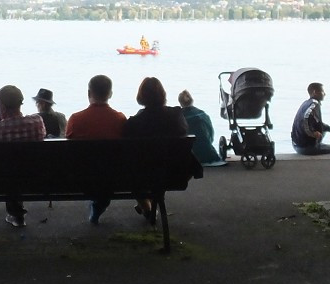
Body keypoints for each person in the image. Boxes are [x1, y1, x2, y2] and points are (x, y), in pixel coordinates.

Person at [66, 74, 128, 223]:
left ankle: (98, 204)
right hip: (114, 177)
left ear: (89, 93)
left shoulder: (76, 119)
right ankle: (99, 205)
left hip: (80, 177)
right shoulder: (120, 119)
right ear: (110, 94)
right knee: (105, 169)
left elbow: (68, 150)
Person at [124, 77, 188, 220]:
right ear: (163, 94)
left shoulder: (134, 123)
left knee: (134, 169)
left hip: (141, 175)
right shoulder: (176, 115)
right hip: (174, 173)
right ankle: (149, 206)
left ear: (141, 96)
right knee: (156, 169)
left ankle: (147, 207)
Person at [0, 84, 46, 227]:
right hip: (36, 177)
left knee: (9, 170)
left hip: (1, 180)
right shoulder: (37, 122)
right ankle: (16, 212)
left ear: (2, 107)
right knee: (18, 168)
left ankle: (15, 212)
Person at [290, 82, 330, 155]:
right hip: (305, 148)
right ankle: (315, 146)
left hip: (296, 145)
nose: (324, 94)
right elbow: (305, 118)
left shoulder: (306, 103)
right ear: (315, 92)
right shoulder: (314, 104)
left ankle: (315, 144)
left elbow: (318, 123)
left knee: (322, 128)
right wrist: (312, 133)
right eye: (322, 91)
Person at [177, 90, 225, 166]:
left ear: (180, 102)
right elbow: (211, 134)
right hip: (207, 150)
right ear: (192, 100)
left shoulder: (179, 116)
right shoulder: (203, 114)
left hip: (188, 151)